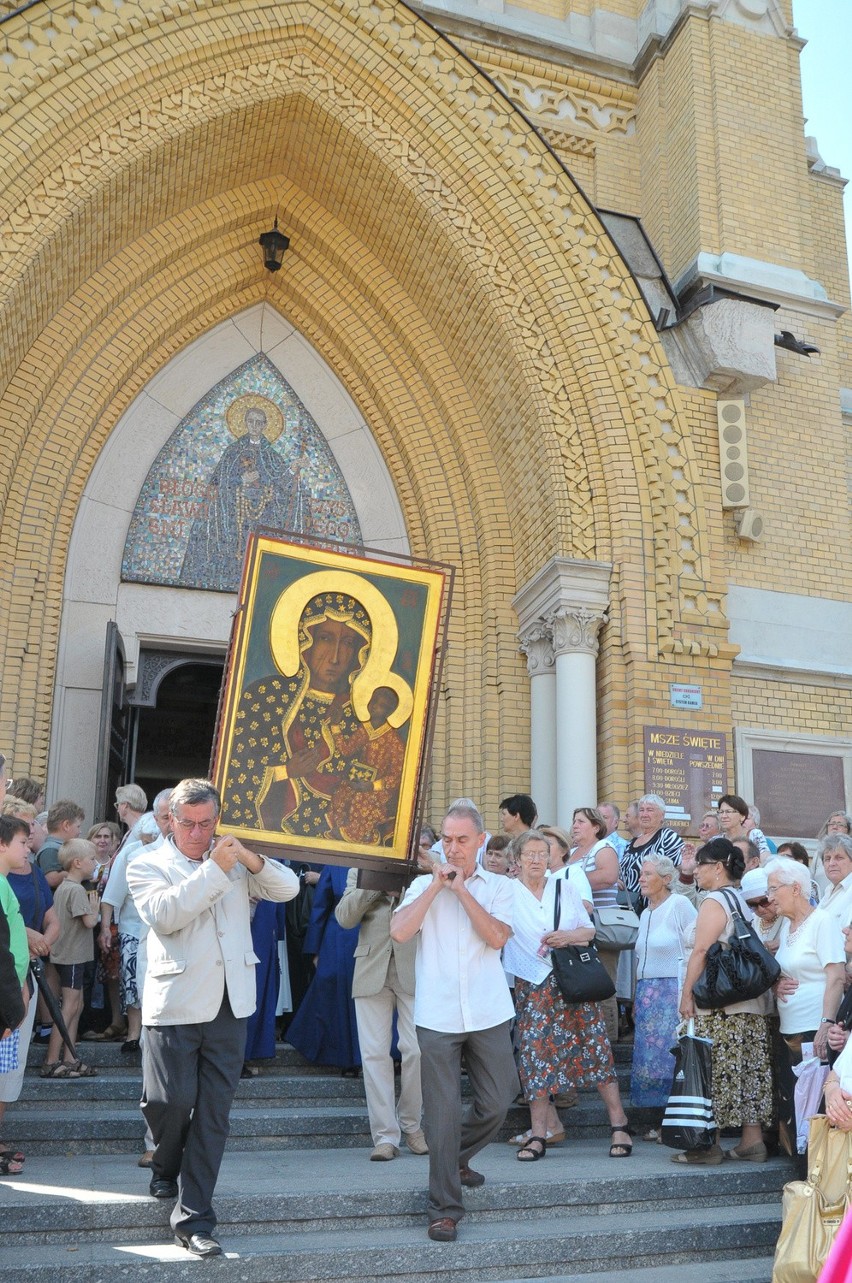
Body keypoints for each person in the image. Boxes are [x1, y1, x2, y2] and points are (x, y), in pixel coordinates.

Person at [126, 778, 299, 1258]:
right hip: (175, 1002)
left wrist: (246, 859)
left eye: (206, 824)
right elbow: (166, 915)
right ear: (170, 821)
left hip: (230, 1004)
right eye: (188, 824)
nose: (198, 833)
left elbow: (285, 889)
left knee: (214, 1117)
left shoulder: (233, 859)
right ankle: (165, 1164)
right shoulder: (147, 863)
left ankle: (194, 1218)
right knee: (169, 1102)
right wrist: (216, 871)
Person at [391, 800, 518, 1243]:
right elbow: (400, 931)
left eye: (463, 840)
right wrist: (434, 888)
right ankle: (444, 1209)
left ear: (481, 841)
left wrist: (462, 890)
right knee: (441, 1115)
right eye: (447, 839)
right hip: (438, 1013)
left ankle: (455, 1157)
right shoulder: (421, 885)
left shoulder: (500, 886)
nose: (454, 847)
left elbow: (497, 937)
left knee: (500, 1100)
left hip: (488, 1010)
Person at [223, 589, 407, 841]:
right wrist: (285, 770)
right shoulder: (266, 697)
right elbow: (236, 772)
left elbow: (384, 777)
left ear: (360, 654)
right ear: (304, 642)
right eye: (325, 639)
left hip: (338, 839)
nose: (335, 657)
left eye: (348, 643)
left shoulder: (361, 717)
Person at [504, 829, 632, 1161]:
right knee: (535, 1058)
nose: (535, 859)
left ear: (550, 858)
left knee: (594, 1048)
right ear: (516, 860)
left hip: (569, 982)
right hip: (532, 986)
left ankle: (619, 1124)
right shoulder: (505, 893)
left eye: (541, 853)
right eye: (528, 854)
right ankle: (539, 1133)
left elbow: (589, 931)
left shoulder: (564, 886)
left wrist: (565, 936)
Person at [678, 837, 773, 1164]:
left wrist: (687, 992)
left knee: (713, 1071)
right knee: (748, 1071)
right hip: (748, 1003)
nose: (695, 870)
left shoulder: (714, 901)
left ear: (717, 868)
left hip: (720, 1005)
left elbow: (701, 950)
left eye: (700, 864)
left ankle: (708, 1146)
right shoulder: (740, 899)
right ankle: (752, 1141)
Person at [335, 864, 427, 1161]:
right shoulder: (360, 870)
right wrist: (375, 883)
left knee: (416, 1050)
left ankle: (412, 1125)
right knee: (374, 1055)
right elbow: (345, 917)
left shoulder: (424, 870)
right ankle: (385, 1136)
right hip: (370, 968)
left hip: (415, 968)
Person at [179, 401, 310, 592]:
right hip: (235, 516)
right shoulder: (232, 452)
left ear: (265, 425)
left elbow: (281, 483)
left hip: (264, 516)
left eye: (259, 422)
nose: (255, 426)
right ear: (245, 423)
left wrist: (293, 468)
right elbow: (220, 481)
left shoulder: (272, 456)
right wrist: (240, 480)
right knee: (236, 551)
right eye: (251, 421)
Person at [768, 855, 846, 1161]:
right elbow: (789, 970)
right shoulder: (786, 927)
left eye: (775, 888)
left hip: (814, 1030)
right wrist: (776, 985)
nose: (770, 895)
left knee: (813, 1106)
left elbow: (836, 976)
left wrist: (827, 1023)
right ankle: (800, 1176)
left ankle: (814, 1177)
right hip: (788, 1027)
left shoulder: (822, 921)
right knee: (793, 1103)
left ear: (796, 888)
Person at [631, 854, 696, 1139]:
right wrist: (636, 996)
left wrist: (688, 991)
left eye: (647, 874)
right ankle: (661, 1122)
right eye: (641, 874)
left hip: (672, 991)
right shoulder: (645, 912)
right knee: (651, 1060)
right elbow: (641, 958)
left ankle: (672, 1123)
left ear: (667, 879)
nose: (642, 879)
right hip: (647, 995)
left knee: (671, 1057)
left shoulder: (679, 905)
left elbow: (695, 945)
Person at [286, 864, 361, 1073]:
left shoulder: (378, 864)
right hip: (336, 938)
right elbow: (319, 909)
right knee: (330, 994)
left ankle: (363, 1058)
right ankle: (341, 1057)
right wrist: (315, 950)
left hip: (369, 938)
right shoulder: (333, 867)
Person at [41, 839, 100, 1079]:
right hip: (72, 956)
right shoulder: (76, 889)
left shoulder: (64, 886)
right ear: (78, 863)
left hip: (67, 954)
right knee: (69, 1007)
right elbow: (89, 922)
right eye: (92, 859)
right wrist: (94, 910)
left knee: (77, 1005)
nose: (95, 863)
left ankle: (70, 1057)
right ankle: (53, 1059)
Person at [563, 807, 621, 1042]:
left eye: (581, 821)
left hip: (601, 927)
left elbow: (608, 876)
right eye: (574, 821)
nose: (575, 826)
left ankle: (609, 1041)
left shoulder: (603, 848)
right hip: (577, 929)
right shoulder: (573, 852)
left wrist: (569, 881)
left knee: (603, 983)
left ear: (596, 827)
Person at [326, 686, 405, 846]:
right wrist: (335, 726)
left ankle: (350, 834)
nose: (374, 706)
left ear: (389, 711)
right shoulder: (365, 730)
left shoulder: (394, 742)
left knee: (362, 800)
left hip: (378, 789)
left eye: (381, 705)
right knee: (342, 792)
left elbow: (395, 776)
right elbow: (347, 750)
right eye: (373, 701)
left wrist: (371, 786)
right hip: (359, 779)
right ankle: (340, 828)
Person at [620, 794, 682, 908]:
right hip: (628, 906)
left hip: (657, 905)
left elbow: (678, 870)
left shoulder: (667, 837)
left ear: (662, 815)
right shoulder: (630, 844)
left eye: (650, 810)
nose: (644, 814)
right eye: (641, 810)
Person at [35, 800, 85, 890]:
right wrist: (80, 871)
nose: (80, 831)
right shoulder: (50, 849)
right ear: (66, 825)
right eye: (78, 826)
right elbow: (52, 879)